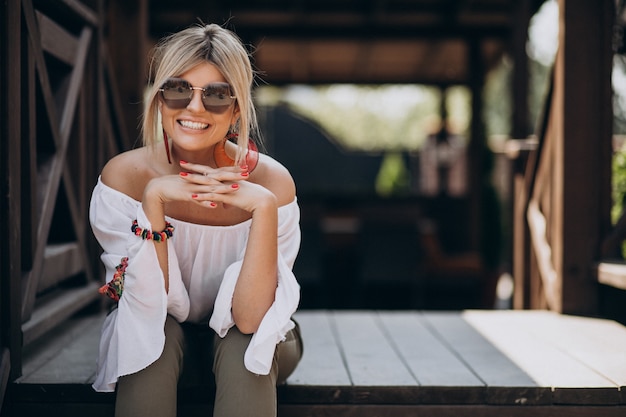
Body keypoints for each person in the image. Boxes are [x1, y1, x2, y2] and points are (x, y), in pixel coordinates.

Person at [89, 23, 303, 417]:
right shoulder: (124, 179)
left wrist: (263, 208)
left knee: (243, 345)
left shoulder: (273, 184)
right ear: (158, 99)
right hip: (163, 339)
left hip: (255, 338)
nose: (195, 108)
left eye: (217, 95)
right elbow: (146, 306)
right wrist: (153, 199)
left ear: (238, 108)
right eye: (177, 89)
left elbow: (252, 317)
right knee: (150, 339)